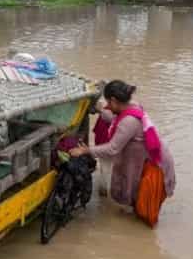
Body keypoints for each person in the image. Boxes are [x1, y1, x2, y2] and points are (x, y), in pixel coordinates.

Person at [70, 81, 176, 226]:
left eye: (108, 102)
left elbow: (112, 148)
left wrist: (86, 150)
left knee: (146, 210)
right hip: (149, 158)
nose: (108, 106)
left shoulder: (129, 121)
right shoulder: (132, 107)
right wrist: (101, 111)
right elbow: (114, 119)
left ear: (113, 100)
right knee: (137, 197)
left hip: (155, 164)